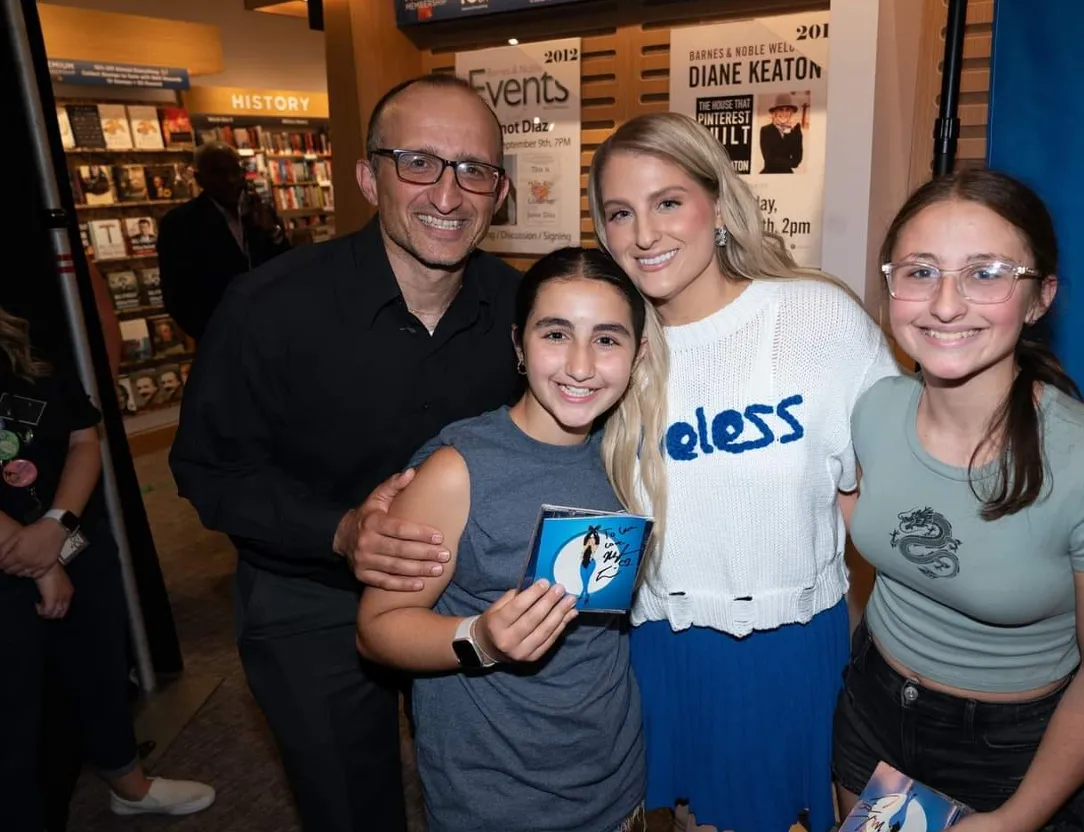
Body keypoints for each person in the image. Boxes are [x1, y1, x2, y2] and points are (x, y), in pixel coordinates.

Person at [169, 75, 522, 832]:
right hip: (309, 601)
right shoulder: (268, 307)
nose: (448, 195)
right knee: (348, 806)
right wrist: (338, 531)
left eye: (474, 170)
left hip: (469, 592)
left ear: (498, 191)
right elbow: (207, 469)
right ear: (369, 177)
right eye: (419, 163)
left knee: (487, 792)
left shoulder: (522, 311)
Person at [832, 170, 1084, 830]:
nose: (945, 303)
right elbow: (884, 528)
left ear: (1039, 297)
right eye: (921, 271)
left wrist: (1018, 817)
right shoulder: (874, 411)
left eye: (986, 273)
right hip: (872, 704)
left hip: (1007, 752)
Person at [585, 111, 900, 832]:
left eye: (668, 202)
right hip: (658, 647)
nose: (644, 234)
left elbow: (879, 495)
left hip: (791, 649)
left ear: (717, 205)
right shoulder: (609, 347)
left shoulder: (816, 318)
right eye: (620, 214)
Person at [356, 247, 667, 832]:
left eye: (607, 339)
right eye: (556, 334)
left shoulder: (629, 457)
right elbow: (377, 629)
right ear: (519, 346)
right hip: (499, 797)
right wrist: (480, 638)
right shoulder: (458, 469)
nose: (580, 365)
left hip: (617, 778)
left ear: (637, 355)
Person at [0, 306, 214, 830]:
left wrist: (55, 526)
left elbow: (82, 437)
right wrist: (36, 560)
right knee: (12, 714)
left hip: (71, 538)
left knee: (99, 665)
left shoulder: (29, 339)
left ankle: (129, 786)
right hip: (11, 561)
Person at [156, 141, 291, 342]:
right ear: (200, 179)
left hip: (271, 332)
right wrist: (212, 335)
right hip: (221, 338)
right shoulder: (180, 223)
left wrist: (273, 231)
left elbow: (286, 267)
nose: (230, 180)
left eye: (236, 171)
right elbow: (176, 295)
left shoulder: (260, 212)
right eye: (218, 173)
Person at [759, 93, 803, 174]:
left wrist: (791, 133)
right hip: (768, 174)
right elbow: (769, 160)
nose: (784, 113)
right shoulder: (765, 130)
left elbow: (796, 161)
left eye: (787, 110)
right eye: (781, 109)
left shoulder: (795, 131)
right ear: (774, 113)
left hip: (787, 175)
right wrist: (789, 162)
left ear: (791, 113)